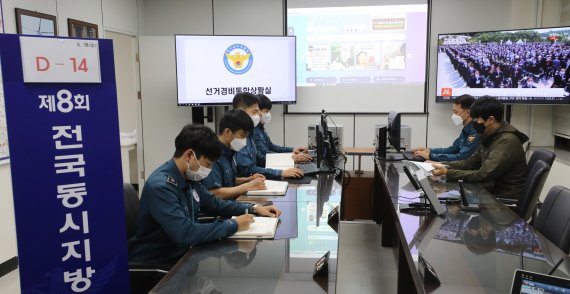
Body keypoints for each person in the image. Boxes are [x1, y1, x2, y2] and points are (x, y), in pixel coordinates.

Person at [129, 124, 281, 265]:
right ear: (189, 155)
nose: (209, 169)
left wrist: (253, 208)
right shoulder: (161, 187)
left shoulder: (188, 176)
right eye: (208, 164)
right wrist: (233, 224)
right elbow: (185, 234)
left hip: (184, 254)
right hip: (160, 264)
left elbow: (214, 204)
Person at [432, 96, 528, 199]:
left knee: (450, 203)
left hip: (502, 199)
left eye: (477, 119)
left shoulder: (506, 141)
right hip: (489, 190)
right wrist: (442, 165)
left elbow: (482, 175)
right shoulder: (490, 136)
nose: (475, 123)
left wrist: (448, 172)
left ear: (491, 119)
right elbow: (469, 163)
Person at [233, 92, 304, 179]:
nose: (258, 115)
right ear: (241, 111)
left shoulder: (248, 134)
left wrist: (290, 158)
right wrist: (280, 172)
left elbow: (261, 158)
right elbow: (249, 169)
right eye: (254, 111)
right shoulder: (237, 136)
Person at [201, 109, 268, 200]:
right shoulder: (213, 153)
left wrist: (248, 180)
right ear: (227, 132)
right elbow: (214, 193)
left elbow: (226, 181)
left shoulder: (229, 150)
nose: (244, 141)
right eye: (242, 135)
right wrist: (247, 186)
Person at [413, 95, 480, 161]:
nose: (453, 115)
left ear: (468, 112)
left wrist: (431, 156)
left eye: (456, 112)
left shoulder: (476, 130)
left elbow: (462, 157)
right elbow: (453, 149)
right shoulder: (466, 128)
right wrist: (429, 151)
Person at [254, 94, 312, 166]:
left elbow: (272, 147)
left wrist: (292, 150)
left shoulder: (260, 127)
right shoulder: (253, 131)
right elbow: (265, 153)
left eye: (269, 111)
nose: (268, 114)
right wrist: (291, 157)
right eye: (266, 111)